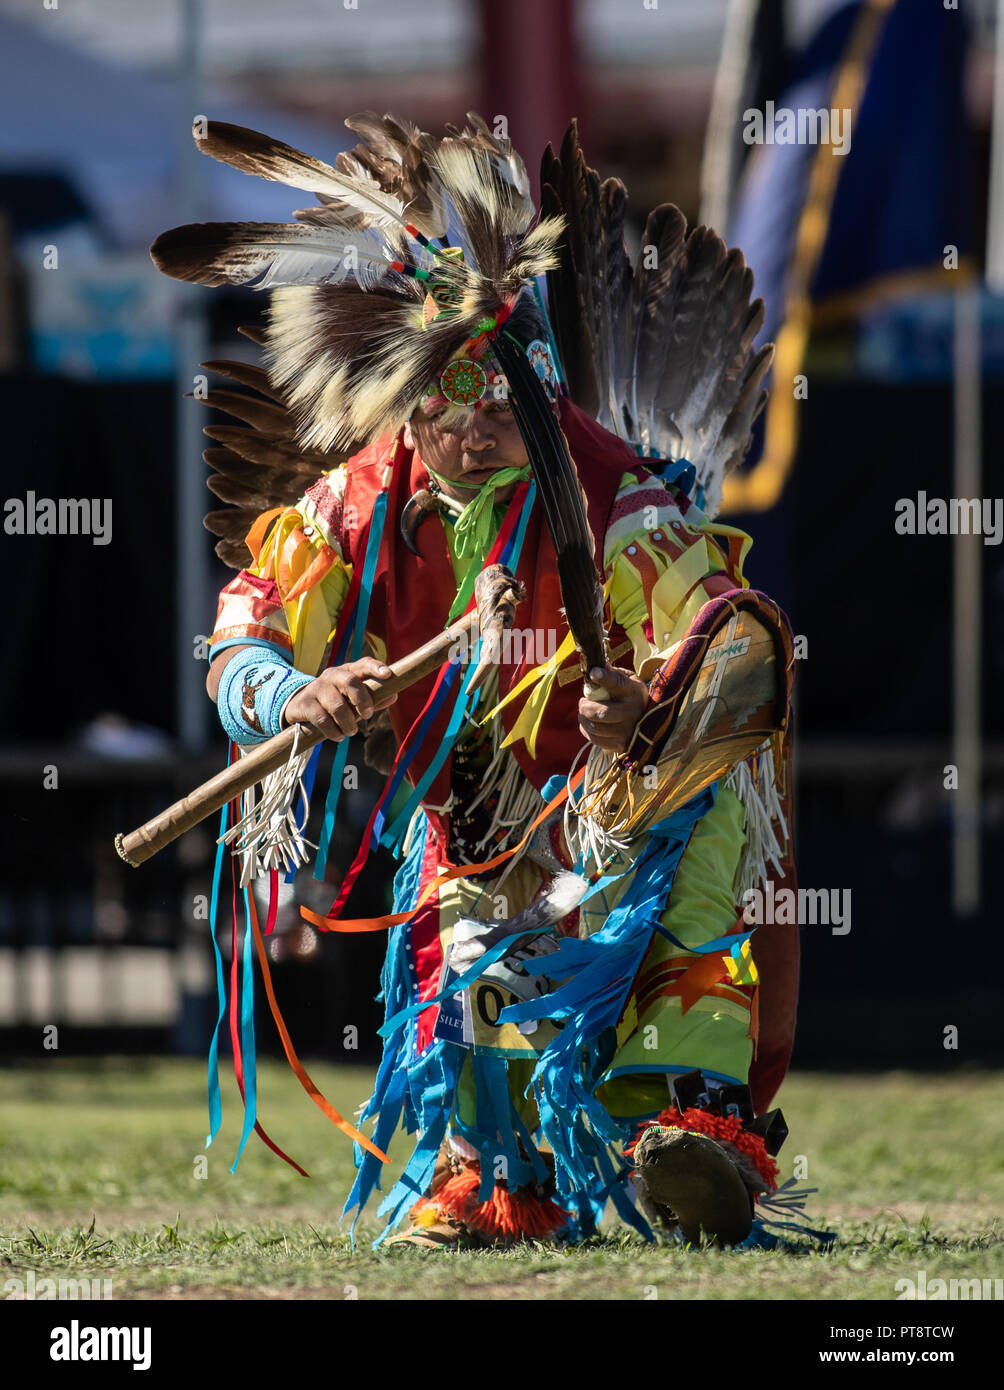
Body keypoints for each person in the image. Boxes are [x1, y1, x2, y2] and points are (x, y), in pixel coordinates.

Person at [153, 112, 804, 1249]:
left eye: (510, 397)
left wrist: (647, 702)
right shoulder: (351, 506)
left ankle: (696, 1131)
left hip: (633, 789)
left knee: (690, 899)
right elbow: (243, 630)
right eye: (456, 401)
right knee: (466, 955)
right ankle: (495, 1175)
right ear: (407, 402)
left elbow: (715, 621)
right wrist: (290, 696)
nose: (485, 419)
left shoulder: (609, 493)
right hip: (474, 802)